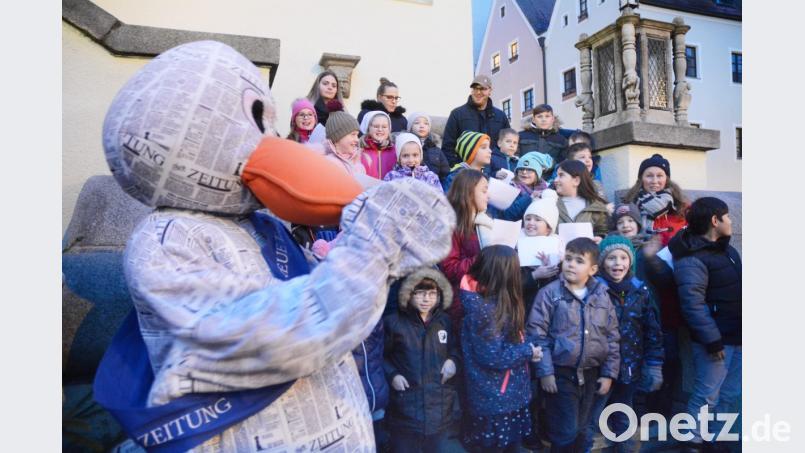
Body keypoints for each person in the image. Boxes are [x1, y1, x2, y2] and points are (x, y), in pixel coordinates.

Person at [93, 41, 456, 451]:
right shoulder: (166, 238)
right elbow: (270, 337)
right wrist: (370, 248)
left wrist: (378, 228)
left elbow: (322, 289)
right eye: (254, 121)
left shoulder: (262, 224)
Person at [527, 237, 621, 453]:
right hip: (561, 373)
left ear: (593, 269)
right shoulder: (549, 294)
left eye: (579, 261)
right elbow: (537, 335)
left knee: (583, 428)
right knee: (565, 430)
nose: (571, 264)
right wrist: (545, 372)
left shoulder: (602, 297)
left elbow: (612, 337)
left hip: (591, 373)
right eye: (568, 259)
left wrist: (608, 373)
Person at [669, 197, 741, 452]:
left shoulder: (727, 251)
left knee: (731, 395)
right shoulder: (692, 258)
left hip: (738, 336)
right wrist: (712, 340)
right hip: (716, 341)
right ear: (715, 221)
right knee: (706, 395)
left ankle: (717, 440)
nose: (731, 221)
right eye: (727, 216)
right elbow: (693, 304)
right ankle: (692, 442)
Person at [583, 235, 664, 453]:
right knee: (591, 417)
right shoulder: (593, 290)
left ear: (631, 262)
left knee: (624, 415)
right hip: (600, 370)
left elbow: (652, 329)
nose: (618, 263)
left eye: (623, 257)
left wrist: (654, 364)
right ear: (601, 263)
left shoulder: (641, 291)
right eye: (611, 258)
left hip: (630, 367)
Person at [460, 245, 543, 453]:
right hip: (495, 399)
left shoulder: (493, 302)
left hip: (504, 395)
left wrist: (528, 344)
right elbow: (494, 356)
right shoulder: (485, 310)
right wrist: (528, 352)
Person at [384, 268, 461, 453]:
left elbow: (455, 348)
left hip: (439, 407)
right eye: (419, 293)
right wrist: (392, 374)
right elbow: (381, 357)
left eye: (432, 293)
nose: (426, 299)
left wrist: (453, 361)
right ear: (407, 294)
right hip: (405, 408)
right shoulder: (393, 323)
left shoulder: (445, 321)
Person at [440, 170, 488, 334]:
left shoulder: (483, 223)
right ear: (468, 192)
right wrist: (483, 257)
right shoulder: (451, 225)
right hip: (461, 305)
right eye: (483, 190)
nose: (488, 196)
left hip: (484, 300)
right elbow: (450, 268)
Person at [442, 74, 511, 167]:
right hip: (467, 172)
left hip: (495, 172)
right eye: (475, 88)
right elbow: (448, 147)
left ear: (490, 91)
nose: (478, 92)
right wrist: (458, 169)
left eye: (483, 89)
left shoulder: (500, 116)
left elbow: (508, 143)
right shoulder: (457, 114)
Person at [622, 153, 689, 246]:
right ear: (641, 179)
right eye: (649, 176)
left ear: (666, 179)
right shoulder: (628, 205)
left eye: (659, 176)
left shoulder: (682, 205)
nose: (654, 181)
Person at [518, 189, 562, 314]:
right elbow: (509, 285)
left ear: (549, 228)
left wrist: (551, 270)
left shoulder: (558, 250)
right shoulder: (515, 246)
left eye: (537, 220)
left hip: (549, 312)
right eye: (528, 219)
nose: (531, 223)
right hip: (522, 310)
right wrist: (534, 275)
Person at [553, 160, 610, 241]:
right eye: (556, 176)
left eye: (561, 175)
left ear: (576, 180)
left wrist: (600, 239)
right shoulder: (550, 204)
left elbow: (603, 232)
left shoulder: (596, 207)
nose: (555, 180)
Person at [518, 104, 568, 178]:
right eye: (539, 116)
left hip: (549, 179)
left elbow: (562, 162)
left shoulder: (561, 140)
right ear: (533, 120)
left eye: (547, 116)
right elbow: (514, 156)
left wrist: (551, 165)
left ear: (553, 119)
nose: (543, 119)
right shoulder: (521, 136)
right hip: (524, 177)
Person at [407, 111, 451, 185]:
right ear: (410, 128)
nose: (422, 126)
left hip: (433, 189)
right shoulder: (404, 148)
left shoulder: (436, 150)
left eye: (426, 123)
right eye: (417, 123)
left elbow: (445, 175)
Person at [359, 111, 396, 180]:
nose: (380, 129)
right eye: (376, 126)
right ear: (368, 128)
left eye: (384, 127)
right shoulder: (360, 151)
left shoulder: (395, 151)